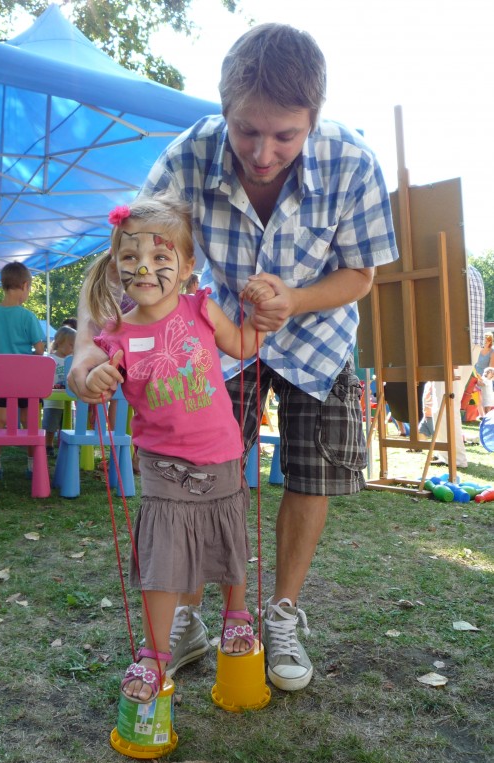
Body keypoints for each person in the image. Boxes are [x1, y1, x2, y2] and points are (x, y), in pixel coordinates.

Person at [69, 24, 398, 693]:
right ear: (224, 110)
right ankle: (188, 623)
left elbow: (361, 274)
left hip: (319, 336)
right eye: (247, 130)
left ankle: (279, 615)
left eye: (285, 135)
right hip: (213, 338)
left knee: (311, 477)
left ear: (314, 119)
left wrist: (295, 300)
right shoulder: (188, 156)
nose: (263, 151)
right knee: (200, 475)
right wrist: (82, 350)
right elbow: (126, 259)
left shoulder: (354, 162)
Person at [81, 192, 274, 702]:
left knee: (230, 541)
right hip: (164, 468)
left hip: (222, 454)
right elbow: (83, 375)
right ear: (116, 263)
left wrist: (259, 318)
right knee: (163, 559)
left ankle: (237, 616)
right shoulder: (116, 333)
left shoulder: (202, 308)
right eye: (130, 257)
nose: (144, 268)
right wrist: (91, 377)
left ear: (188, 267)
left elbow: (245, 346)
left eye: (160, 257)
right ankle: (154, 653)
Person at [0, 261, 45, 478]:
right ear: (25, 285)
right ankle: (33, 465)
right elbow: (40, 349)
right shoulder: (27, 316)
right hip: (24, 382)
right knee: (30, 422)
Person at [432, 264, 485, 467]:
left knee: (445, 399)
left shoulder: (450, 268)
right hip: (470, 341)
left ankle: (454, 457)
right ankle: (448, 453)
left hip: (455, 340)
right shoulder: (472, 270)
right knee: (446, 398)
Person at [42, 325, 76, 457]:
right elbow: (45, 377)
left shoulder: (72, 360)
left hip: (68, 400)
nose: (73, 349)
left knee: (67, 425)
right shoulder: (51, 359)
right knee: (50, 424)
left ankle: (64, 446)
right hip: (53, 399)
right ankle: (48, 445)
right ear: (60, 342)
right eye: (71, 345)